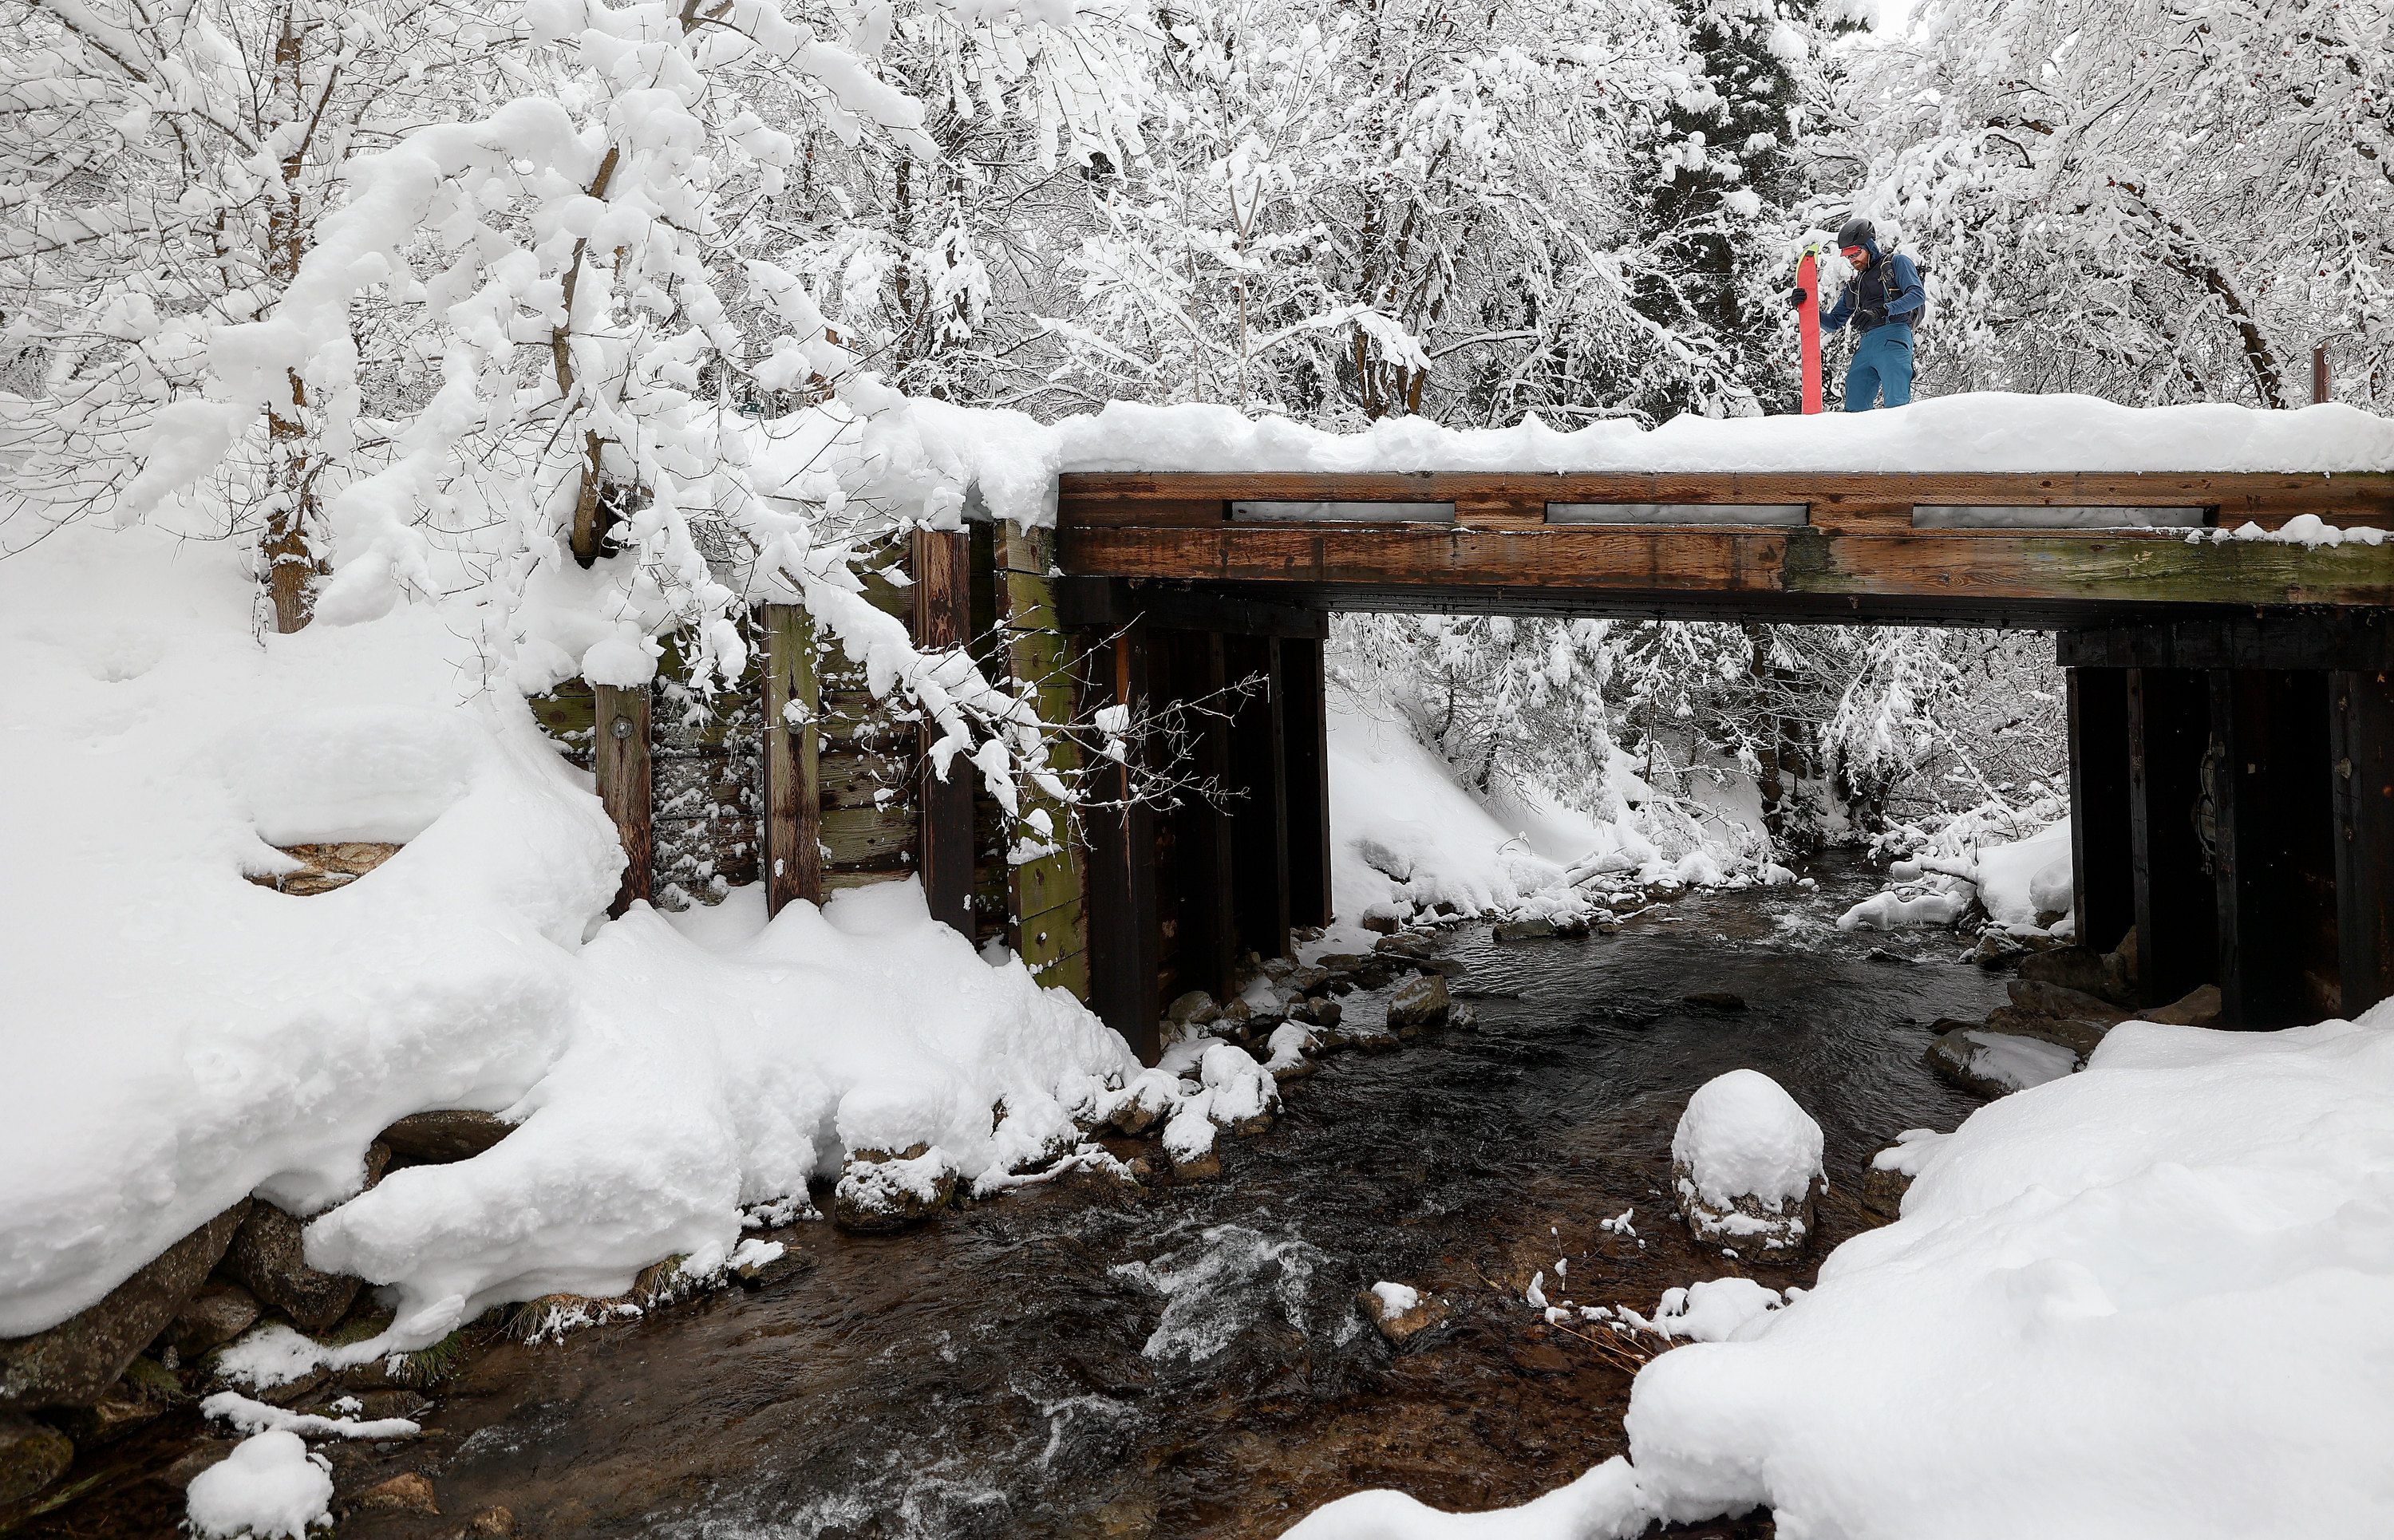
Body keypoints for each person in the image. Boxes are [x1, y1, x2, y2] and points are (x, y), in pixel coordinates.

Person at [1792, 217, 1924, 411]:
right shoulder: (1856, 285)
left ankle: (1901, 441)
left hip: (1894, 338)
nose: (1852, 259)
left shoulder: (1896, 263)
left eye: (1856, 252)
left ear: (1869, 246)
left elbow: (1917, 295)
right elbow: (1834, 322)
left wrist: (1882, 310)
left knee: (1897, 405)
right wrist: (1807, 308)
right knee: (1854, 408)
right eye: (1848, 256)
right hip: (1866, 346)